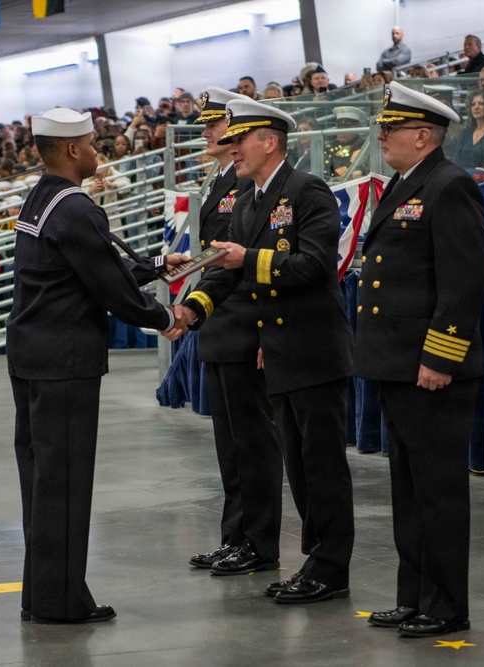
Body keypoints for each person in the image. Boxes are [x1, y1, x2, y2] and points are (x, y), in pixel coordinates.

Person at [7, 107, 185, 625]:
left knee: (42, 481)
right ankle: (61, 604)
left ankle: (42, 595)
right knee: (64, 482)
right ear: (71, 150)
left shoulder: (43, 197)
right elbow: (108, 287)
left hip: (33, 354)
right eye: (89, 143)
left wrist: (154, 265)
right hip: (64, 360)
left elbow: (81, 268)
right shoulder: (77, 208)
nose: (96, 151)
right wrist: (165, 318)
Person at [174, 97, 355, 605]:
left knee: (321, 468)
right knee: (299, 467)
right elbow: (226, 273)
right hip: (278, 351)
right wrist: (190, 311)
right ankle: (317, 563)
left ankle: (330, 568)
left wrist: (248, 257)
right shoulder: (250, 200)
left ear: (270, 142)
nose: (232, 148)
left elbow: (315, 265)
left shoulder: (306, 191)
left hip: (312, 349)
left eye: (240, 140)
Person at [356, 81, 484, 638]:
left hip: (429, 368)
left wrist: (440, 357)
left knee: (437, 492)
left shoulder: (450, 185)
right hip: (396, 363)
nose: (382, 137)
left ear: (423, 135)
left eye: (392, 128)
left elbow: (463, 283)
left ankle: (446, 604)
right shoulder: (405, 183)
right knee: (408, 491)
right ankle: (412, 597)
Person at [183, 86, 284, 577]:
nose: (208, 133)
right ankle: (236, 537)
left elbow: (247, 260)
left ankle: (258, 542)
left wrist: (264, 334)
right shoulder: (222, 179)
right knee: (230, 444)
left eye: (215, 125)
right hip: (220, 320)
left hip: (245, 323)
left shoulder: (246, 184)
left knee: (252, 443)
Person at [451, 89, 484, 176]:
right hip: (462, 178)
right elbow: (455, 162)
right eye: (473, 104)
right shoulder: (465, 133)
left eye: (481, 104)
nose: (476, 107)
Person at [324, 106, 368, 180]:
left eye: (346, 127)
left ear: (357, 127)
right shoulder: (329, 147)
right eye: (339, 127)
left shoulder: (365, 145)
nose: (342, 130)